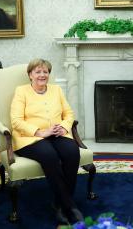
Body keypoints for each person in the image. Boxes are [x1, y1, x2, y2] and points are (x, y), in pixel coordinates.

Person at [10, 59, 83, 225]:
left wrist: (64, 128)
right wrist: (39, 132)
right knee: (49, 155)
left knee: (72, 151)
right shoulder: (21, 91)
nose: (42, 75)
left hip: (56, 134)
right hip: (29, 138)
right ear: (30, 75)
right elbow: (16, 121)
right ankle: (70, 207)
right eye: (38, 72)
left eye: (45, 72)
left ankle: (58, 203)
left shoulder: (56, 90)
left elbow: (69, 113)